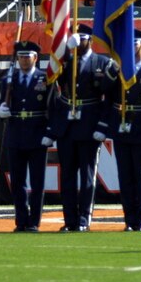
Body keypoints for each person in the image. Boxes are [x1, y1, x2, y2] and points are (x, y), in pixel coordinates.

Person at [44, 24, 115, 231]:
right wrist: (65, 51)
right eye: (75, 39)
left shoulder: (102, 63)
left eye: (81, 39)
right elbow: (53, 80)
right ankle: (70, 221)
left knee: (86, 175)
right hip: (67, 126)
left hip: (89, 124)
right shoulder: (65, 62)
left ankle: (84, 219)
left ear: (89, 40)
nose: (78, 43)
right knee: (66, 176)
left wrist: (102, 126)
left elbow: (107, 96)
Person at [95, 29, 141, 231]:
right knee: (124, 176)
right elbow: (105, 94)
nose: (131, 47)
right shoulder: (118, 70)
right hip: (121, 126)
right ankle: (129, 219)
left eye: (135, 43)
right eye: (128, 43)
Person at [0, 40, 50, 232]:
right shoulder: (9, 80)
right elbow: (3, 102)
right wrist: (1, 109)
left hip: (37, 134)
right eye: (21, 57)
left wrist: (49, 132)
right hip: (16, 133)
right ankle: (21, 220)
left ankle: (34, 221)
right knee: (18, 182)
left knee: (37, 182)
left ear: (35, 57)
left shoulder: (45, 79)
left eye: (27, 57)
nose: (24, 60)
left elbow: (51, 108)